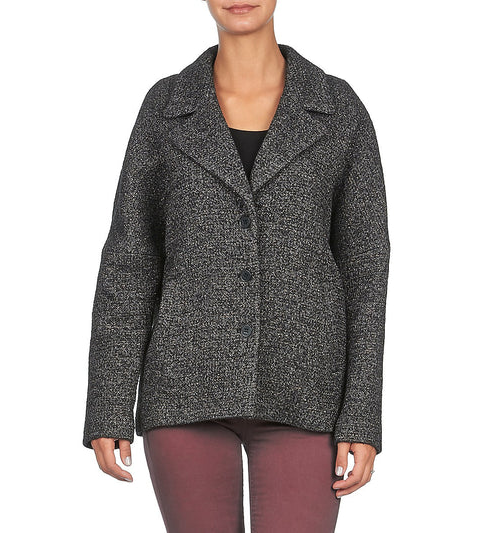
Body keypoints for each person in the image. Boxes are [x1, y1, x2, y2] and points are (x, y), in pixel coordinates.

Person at [83, 1, 391, 531]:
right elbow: (130, 261)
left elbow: (366, 271)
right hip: (183, 388)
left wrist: (362, 414)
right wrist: (108, 402)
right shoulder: (166, 107)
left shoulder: (338, 109)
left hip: (307, 390)